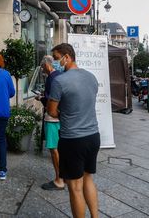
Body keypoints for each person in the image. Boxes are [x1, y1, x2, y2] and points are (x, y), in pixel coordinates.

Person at [47, 43, 100, 218]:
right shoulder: (91, 77)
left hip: (72, 139)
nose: (55, 62)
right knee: (88, 179)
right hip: (93, 136)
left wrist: (63, 112)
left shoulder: (59, 81)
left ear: (67, 57)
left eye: (56, 58)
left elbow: (52, 111)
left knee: (75, 187)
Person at [36, 55, 65, 191]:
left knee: (54, 149)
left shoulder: (51, 79)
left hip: (53, 118)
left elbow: (50, 100)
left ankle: (59, 179)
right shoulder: (60, 75)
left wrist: (41, 98)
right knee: (60, 148)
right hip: (62, 118)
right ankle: (64, 175)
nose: (42, 70)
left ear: (46, 65)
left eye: (42, 67)